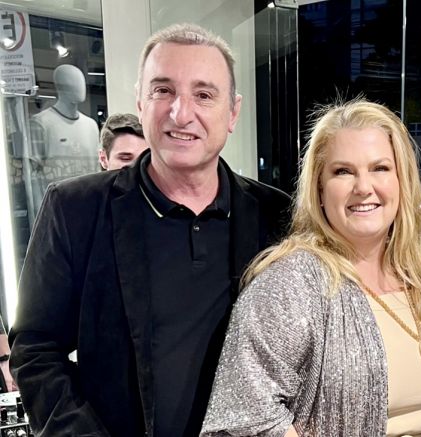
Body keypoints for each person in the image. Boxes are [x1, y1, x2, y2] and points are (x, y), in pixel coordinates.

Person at [10, 23, 291, 437]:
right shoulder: (75, 209)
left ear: (232, 113)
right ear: (140, 103)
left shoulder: (276, 215)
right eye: (163, 90)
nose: (181, 113)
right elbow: (35, 348)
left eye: (204, 95)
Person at [200, 99, 421, 437]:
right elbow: (244, 418)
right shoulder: (290, 283)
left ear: (402, 181)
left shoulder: (417, 279)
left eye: (380, 168)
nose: (364, 187)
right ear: (319, 189)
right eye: (343, 171)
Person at [27, 64, 100, 223]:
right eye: (72, 81)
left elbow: (97, 171)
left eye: (81, 81)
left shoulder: (91, 126)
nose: (80, 86)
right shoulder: (41, 124)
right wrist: (41, 216)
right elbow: (33, 177)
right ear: (60, 86)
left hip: (90, 210)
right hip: (57, 214)